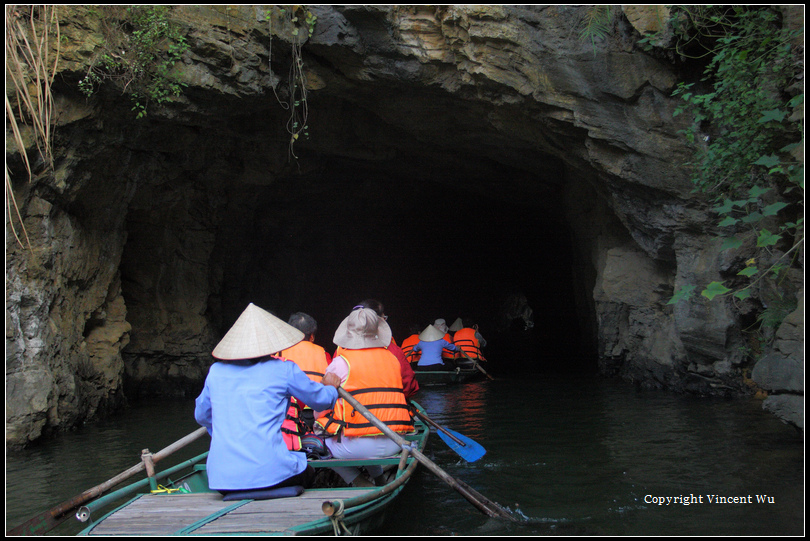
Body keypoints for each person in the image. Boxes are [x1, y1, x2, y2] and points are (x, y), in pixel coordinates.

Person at [194, 303, 340, 496]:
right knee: (309, 471)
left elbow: (202, 416)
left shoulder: (215, 372)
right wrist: (331, 387)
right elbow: (321, 401)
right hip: (271, 475)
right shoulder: (283, 369)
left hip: (222, 480)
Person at [316, 307, 414, 487]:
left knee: (318, 445)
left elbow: (318, 412)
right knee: (370, 433)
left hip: (355, 447)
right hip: (394, 441)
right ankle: (379, 479)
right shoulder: (393, 360)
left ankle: (359, 482)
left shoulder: (340, 363)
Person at [278, 312, 332, 445]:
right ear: (312, 336)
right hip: (316, 415)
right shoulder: (324, 354)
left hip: (288, 417)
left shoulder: (278, 353)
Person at [347, 299, 419, 399]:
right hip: (392, 408)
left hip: (355, 410)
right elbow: (410, 386)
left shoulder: (342, 352)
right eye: (384, 318)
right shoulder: (394, 351)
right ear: (379, 322)